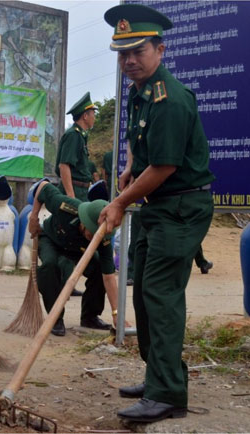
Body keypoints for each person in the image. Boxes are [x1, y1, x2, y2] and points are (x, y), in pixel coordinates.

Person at [99, 5, 215, 423]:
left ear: (160, 50)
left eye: (138, 51)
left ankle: (167, 395)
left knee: (162, 297)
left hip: (181, 207)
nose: (129, 60)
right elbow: (143, 145)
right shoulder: (140, 91)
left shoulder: (171, 98)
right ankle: (157, 378)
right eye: (122, 53)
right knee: (144, 294)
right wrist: (131, 164)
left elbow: (165, 167)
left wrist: (119, 200)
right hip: (157, 206)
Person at [28, 181, 124, 337]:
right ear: (84, 222)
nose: (95, 237)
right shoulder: (66, 206)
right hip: (52, 239)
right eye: (92, 233)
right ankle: (55, 318)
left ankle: (90, 316)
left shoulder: (102, 239)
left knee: (100, 267)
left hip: (79, 250)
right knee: (50, 266)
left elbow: (109, 277)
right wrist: (33, 217)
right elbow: (43, 186)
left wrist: (116, 313)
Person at [55, 92, 98, 201]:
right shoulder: (73, 135)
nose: (94, 117)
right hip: (74, 190)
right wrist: (71, 196)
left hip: (81, 191)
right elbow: (64, 166)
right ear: (85, 116)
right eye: (93, 114)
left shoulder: (80, 135)